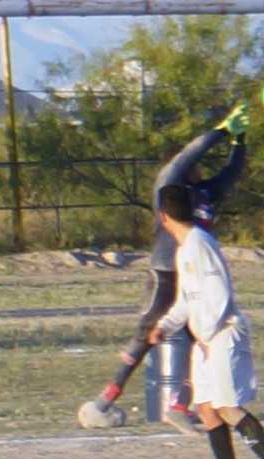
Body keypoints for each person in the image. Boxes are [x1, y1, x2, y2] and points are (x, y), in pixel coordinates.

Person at [78, 105, 250, 435]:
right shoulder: (168, 185)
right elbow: (187, 156)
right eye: (195, 164)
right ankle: (105, 399)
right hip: (165, 272)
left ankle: (179, 406)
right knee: (148, 333)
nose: (199, 168)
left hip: (193, 273)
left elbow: (231, 174)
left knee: (197, 335)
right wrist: (220, 132)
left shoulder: (202, 194)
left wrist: (239, 142)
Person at [147, 184, 264, 459]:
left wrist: (206, 332)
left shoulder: (200, 245)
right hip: (207, 339)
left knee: (227, 407)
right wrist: (164, 325)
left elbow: (219, 296)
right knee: (206, 409)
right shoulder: (186, 248)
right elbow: (187, 301)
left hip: (223, 334)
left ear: (162, 216)